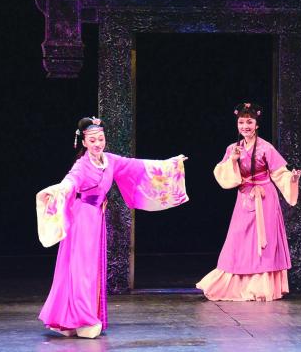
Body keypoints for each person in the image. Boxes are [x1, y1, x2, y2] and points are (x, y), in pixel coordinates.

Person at [35, 116, 189, 338]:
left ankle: (73, 319)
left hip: (96, 218)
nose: (98, 144)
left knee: (90, 269)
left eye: (101, 139)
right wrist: (58, 190)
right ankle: (82, 319)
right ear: (84, 142)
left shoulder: (110, 161)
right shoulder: (82, 165)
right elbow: (71, 181)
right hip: (82, 220)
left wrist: (171, 164)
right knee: (82, 270)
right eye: (92, 140)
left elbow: (138, 166)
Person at [196, 103, 301, 301]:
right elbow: (222, 174)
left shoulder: (266, 148)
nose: (245, 126)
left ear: (256, 125)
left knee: (264, 241)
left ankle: (262, 287)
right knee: (239, 239)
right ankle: (235, 285)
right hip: (245, 197)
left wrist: (292, 179)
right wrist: (233, 160)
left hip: (265, 197)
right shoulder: (233, 148)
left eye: (249, 122)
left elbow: (279, 173)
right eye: (241, 122)